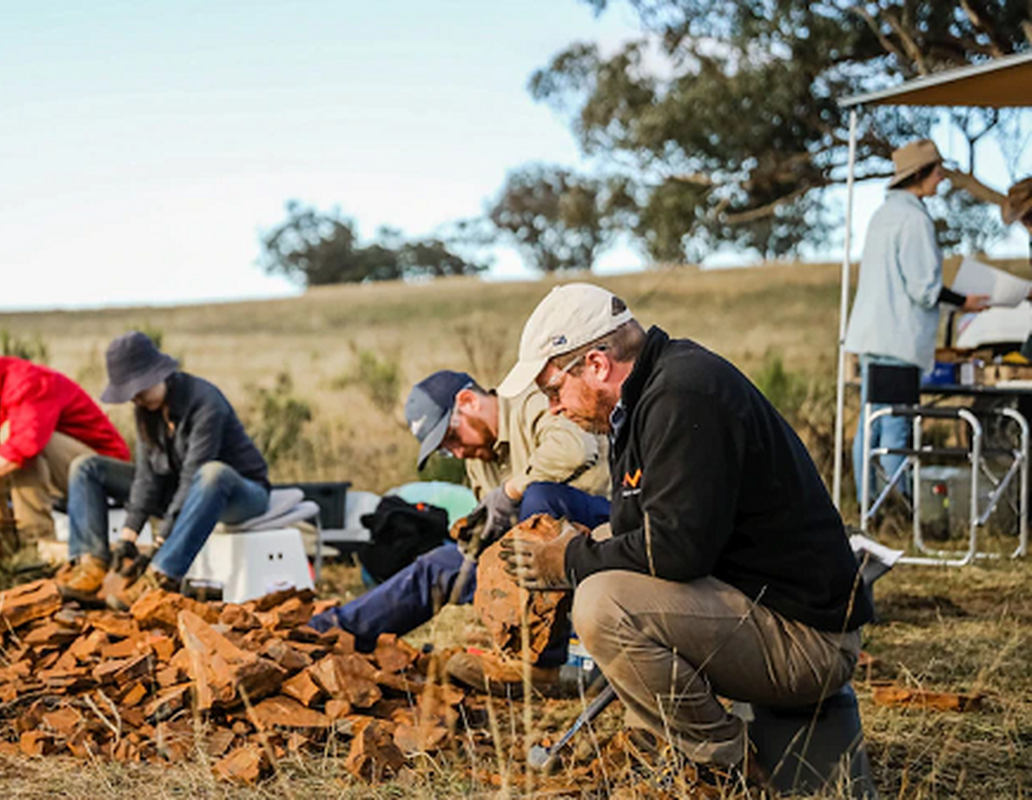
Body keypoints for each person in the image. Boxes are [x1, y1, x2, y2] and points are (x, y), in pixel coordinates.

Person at [497, 283, 874, 783]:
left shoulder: (683, 395)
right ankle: (658, 741)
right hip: (764, 607)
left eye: (552, 390)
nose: (553, 408)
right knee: (607, 554)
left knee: (603, 605)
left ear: (596, 365)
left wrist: (567, 562)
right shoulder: (643, 401)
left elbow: (676, 552)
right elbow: (637, 529)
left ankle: (727, 764)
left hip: (809, 641)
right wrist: (583, 548)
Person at [309, 369, 611, 697]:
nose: (456, 452)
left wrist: (510, 492)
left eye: (451, 438)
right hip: (536, 562)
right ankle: (328, 632)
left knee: (538, 497)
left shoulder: (531, 403)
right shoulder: (478, 458)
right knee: (440, 565)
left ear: (468, 402)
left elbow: (577, 450)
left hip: (602, 536)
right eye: (444, 450)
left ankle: (541, 664)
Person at [65, 331, 270, 609]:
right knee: (86, 467)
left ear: (158, 374)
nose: (136, 400)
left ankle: (161, 577)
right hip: (179, 494)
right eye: (131, 396)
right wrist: (129, 536)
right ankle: (91, 567)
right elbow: (146, 477)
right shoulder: (147, 410)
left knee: (212, 473)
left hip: (237, 494)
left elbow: (193, 475)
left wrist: (160, 543)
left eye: (140, 391)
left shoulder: (206, 402)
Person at [845, 139, 989, 503]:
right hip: (899, 339)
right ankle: (898, 506)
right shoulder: (914, 220)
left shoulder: (883, 215)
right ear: (921, 175)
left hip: (872, 337)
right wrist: (964, 302)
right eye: (937, 172)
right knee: (895, 426)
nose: (941, 178)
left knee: (870, 425)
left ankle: (869, 506)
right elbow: (924, 286)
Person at [0, 330, 130, 549]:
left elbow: (24, 446)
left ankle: (35, 542)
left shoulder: (25, 381)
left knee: (17, 440)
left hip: (103, 474)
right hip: (65, 468)